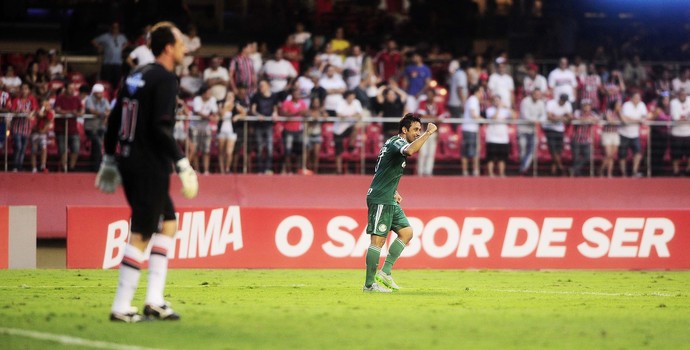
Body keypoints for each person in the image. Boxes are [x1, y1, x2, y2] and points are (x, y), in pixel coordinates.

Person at [96, 21, 199, 323]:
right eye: (181, 43)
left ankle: (153, 301)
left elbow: (115, 119)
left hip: (130, 158)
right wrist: (181, 162)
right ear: (168, 47)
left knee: (168, 224)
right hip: (148, 163)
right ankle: (121, 305)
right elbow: (159, 127)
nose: (184, 48)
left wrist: (110, 158)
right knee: (142, 232)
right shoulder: (166, 79)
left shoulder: (136, 73)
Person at [363, 113, 437, 293]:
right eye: (416, 130)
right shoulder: (398, 142)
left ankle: (385, 273)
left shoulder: (393, 143)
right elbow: (411, 151)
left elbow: (382, 168)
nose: (418, 133)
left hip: (388, 196)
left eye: (420, 130)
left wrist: (393, 190)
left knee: (407, 232)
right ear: (404, 130)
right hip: (381, 197)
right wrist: (428, 133)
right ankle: (369, 285)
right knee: (378, 241)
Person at [250, 79, 280, 174]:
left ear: (268, 86)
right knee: (259, 147)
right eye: (260, 86)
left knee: (270, 147)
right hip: (259, 125)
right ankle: (259, 169)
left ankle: (268, 168)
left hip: (269, 125)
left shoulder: (274, 96)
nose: (261, 88)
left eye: (263, 85)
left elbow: (275, 109)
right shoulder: (256, 96)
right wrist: (257, 115)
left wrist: (275, 114)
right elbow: (253, 110)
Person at [416, 88, 447, 176]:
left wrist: (438, 133)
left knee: (431, 153)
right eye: (427, 95)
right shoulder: (422, 103)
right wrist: (434, 118)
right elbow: (422, 116)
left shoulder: (438, 105)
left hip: (433, 132)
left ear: (434, 96)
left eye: (430, 95)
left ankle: (428, 171)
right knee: (423, 152)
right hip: (423, 131)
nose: (429, 97)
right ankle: (420, 171)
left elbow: (440, 120)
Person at [54, 82, 84, 172]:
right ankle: (64, 167)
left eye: (73, 89)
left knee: (76, 148)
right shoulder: (60, 98)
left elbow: (81, 109)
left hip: (73, 128)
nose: (72, 90)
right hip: (61, 128)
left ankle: (71, 167)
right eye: (70, 88)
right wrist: (70, 112)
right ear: (66, 89)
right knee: (62, 149)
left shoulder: (76, 99)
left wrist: (78, 113)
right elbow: (57, 110)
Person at [190, 84, 219, 175]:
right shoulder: (197, 99)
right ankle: (197, 169)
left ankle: (206, 170)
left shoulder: (212, 100)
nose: (210, 94)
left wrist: (215, 116)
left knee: (206, 149)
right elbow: (198, 112)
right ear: (203, 93)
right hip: (195, 126)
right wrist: (209, 118)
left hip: (206, 127)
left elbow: (215, 112)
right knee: (194, 149)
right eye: (208, 92)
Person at [92, 22, 129, 89]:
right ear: (111, 28)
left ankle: (115, 93)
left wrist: (122, 48)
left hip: (118, 62)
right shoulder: (105, 36)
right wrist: (100, 47)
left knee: (117, 80)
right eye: (114, 27)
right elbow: (94, 41)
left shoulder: (122, 37)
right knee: (107, 80)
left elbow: (127, 43)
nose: (115, 29)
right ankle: (108, 93)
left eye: (117, 27)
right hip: (107, 62)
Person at [619, 92, 648, 177]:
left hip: (635, 134)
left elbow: (644, 117)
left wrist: (637, 120)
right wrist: (638, 120)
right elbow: (626, 119)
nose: (637, 100)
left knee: (638, 153)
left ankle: (634, 171)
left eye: (639, 98)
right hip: (624, 133)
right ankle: (623, 173)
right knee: (622, 155)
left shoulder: (642, 105)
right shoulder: (626, 105)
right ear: (631, 98)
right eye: (636, 98)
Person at [518, 88, 546, 175]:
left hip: (533, 130)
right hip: (523, 129)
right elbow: (525, 115)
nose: (537, 96)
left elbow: (543, 115)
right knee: (522, 148)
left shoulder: (541, 103)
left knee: (532, 148)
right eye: (536, 94)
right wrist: (535, 120)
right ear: (532, 94)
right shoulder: (525, 101)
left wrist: (538, 121)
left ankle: (524, 168)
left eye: (539, 94)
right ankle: (523, 167)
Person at [334, 90, 363, 174]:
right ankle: (338, 170)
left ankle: (351, 145)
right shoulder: (341, 103)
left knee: (356, 127)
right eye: (350, 97)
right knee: (338, 150)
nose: (351, 99)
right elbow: (339, 115)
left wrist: (347, 116)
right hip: (339, 129)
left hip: (349, 127)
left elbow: (359, 115)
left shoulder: (356, 102)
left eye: (353, 97)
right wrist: (351, 116)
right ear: (346, 97)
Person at [10, 83, 37, 171]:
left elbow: (34, 109)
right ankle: (15, 165)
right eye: (23, 89)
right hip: (17, 127)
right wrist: (20, 111)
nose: (24, 91)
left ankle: (19, 166)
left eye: (26, 89)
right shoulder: (16, 100)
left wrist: (30, 113)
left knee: (23, 148)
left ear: (28, 90)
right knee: (18, 146)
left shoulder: (31, 99)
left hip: (26, 127)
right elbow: (13, 110)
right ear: (20, 90)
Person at [84, 83, 111, 171]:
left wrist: (105, 115)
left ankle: (96, 166)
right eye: (99, 92)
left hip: (101, 127)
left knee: (98, 146)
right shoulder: (89, 99)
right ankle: (96, 166)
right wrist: (103, 114)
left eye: (101, 92)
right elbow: (91, 110)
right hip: (90, 127)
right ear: (94, 93)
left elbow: (108, 110)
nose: (101, 94)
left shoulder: (104, 100)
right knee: (97, 143)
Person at [544, 93, 572, 176]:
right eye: (562, 100)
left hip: (560, 130)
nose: (563, 102)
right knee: (553, 151)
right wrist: (561, 117)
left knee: (558, 152)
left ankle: (554, 172)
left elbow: (570, 117)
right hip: (550, 129)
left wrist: (557, 117)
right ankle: (561, 168)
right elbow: (549, 117)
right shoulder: (551, 103)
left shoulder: (567, 105)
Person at [484, 95, 513, 177]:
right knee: (491, 157)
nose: (497, 102)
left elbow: (513, 118)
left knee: (502, 157)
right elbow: (493, 118)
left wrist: (507, 107)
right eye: (495, 100)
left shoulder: (505, 111)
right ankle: (490, 173)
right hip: (492, 137)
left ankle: (501, 173)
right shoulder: (489, 110)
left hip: (503, 138)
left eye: (498, 100)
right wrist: (498, 109)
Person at [280, 88, 308, 174]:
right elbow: (284, 114)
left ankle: (298, 169)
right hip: (288, 130)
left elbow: (306, 113)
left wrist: (305, 113)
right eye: (295, 93)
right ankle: (288, 170)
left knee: (300, 151)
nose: (297, 95)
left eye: (298, 93)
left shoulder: (302, 103)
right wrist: (297, 113)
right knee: (288, 151)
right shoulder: (286, 103)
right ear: (292, 94)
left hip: (299, 130)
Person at [570, 99, 599, 177]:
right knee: (575, 158)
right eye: (585, 105)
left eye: (588, 105)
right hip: (577, 138)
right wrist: (586, 120)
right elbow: (575, 118)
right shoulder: (577, 112)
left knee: (588, 156)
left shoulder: (592, 114)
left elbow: (597, 119)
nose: (587, 107)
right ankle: (576, 172)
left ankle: (575, 169)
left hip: (586, 139)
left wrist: (588, 120)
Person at [217, 91, 242, 174]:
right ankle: (222, 170)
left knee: (229, 151)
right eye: (228, 96)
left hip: (231, 130)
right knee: (221, 151)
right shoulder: (221, 105)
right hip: (222, 130)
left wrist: (238, 116)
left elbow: (244, 112)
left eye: (231, 96)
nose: (229, 98)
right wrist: (226, 106)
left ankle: (227, 168)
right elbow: (222, 114)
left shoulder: (236, 105)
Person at [461, 85, 484, 176]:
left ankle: (468, 171)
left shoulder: (473, 100)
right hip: (469, 129)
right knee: (470, 151)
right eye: (481, 92)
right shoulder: (473, 100)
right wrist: (482, 120)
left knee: (472, 151)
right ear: (477, 92)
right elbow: (473, 114)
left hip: (472, 129)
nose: (482, 94)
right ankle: (473, 171)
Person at [650, 93, 672, 176]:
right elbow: (651, 119)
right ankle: (654, 172)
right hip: (657, 134)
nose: (666, 101)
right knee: (656, 153)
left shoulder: (669, 109)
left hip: (665, 135)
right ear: (661, 101)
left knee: (662, 152)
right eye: (665, 100)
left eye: (667, 100)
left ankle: (659, 171)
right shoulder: (658, 110)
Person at [670, 89, 690, 176]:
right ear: (678, 95)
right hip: (677, 133)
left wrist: (684, 120)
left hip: (688, 133)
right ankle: (676, 171)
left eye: (684, 94)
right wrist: (686, 120)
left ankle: (688, 170)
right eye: (681, 94)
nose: (683, 96)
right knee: (676, 154)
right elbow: (676, 119)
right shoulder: (674, 103)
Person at [31, 96, 54, 173]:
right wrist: (38, 114)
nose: (45, 105)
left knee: (44, 149)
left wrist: (43, 130)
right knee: (34, 150)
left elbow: (48, 122)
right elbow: (32, 119)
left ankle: (43, 165)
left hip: (42, 133)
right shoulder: (36, 110)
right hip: (35, 133)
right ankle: (34, 168)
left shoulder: (50, 113)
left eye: (46, 103)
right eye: (43, 103)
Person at [305, 96, 327, 173]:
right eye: (314, 102)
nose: (316, 104)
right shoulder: (309, 111)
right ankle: (307, 169)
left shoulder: (320, 112)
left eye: (317, 102)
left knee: (316, 153)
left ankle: (315, 170)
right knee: (307, 154)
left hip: (317, 134)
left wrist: (322, 112)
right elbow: (306, 115)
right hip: (309, 134)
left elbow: (326, 117)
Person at [601, 100, 622, 177]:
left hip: (615, 134)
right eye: (618, 105)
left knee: (612, 155)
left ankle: (609, 173)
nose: (620, 107)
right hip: (607, 134)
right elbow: (610, 121)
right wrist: (618, 121)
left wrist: (619, 114)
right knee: (608, 154)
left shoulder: (619, 113)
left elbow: (623, 120)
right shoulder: (608, 111)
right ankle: (601, 170)